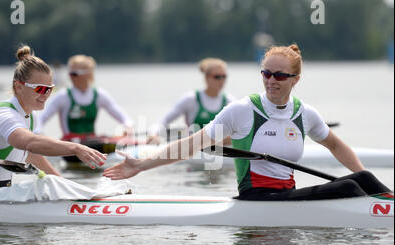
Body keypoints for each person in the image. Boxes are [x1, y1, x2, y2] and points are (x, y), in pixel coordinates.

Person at [103, 44, 390, 200]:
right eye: (266, 73)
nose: (271, 81)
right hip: (257, 197)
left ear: (295, 80)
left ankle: (383, 203)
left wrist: (366, 182)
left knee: (360, 179)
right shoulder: (241, 110)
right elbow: (192, 144)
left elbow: (336, 146)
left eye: (279, 76)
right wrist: (141, 165)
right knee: (353, 187)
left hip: (287, 195)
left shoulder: (306, 113)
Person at [0, 45, 106, 191]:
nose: (46, 95)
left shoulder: (30, 117)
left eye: (50, 89)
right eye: (40, 89)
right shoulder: (4, 116)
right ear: (18, 87)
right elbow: (30, 143)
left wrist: (64, 185)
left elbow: (33, 155)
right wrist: (75, 147)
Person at [38, 54, 134, 141]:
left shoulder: (99, 95)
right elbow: (40, 119)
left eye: (74, 74)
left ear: (87, 74)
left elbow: (123, 116)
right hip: (70, 145)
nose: (70, 77)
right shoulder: (63, 96)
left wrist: (127, 126)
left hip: (91, 143)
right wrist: (39, 133)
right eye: (70, 73)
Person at [147, 58, 235, 143]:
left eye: (224, 76)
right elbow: (163, 120)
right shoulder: (191, 99)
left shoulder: (229, 101)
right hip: (193, 150)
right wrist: (153, 134)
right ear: (207, 78)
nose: (221, 80)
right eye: (217, 77)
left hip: (219, 150)